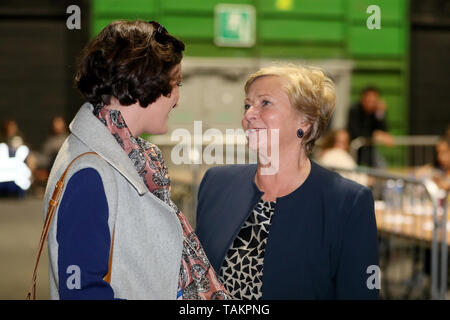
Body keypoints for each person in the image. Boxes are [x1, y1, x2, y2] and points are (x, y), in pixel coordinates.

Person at [43, 20, 229, 300]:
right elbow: (81, 290)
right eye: (175, 83)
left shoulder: (123, 155)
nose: (177, 98)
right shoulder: (91, 170)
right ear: (144, 79)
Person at [196, 65, 379, 299]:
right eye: (247, 105)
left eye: (265, 103)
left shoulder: (347, 202)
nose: (248, 115)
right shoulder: (217, 184)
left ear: (305, 122)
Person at [347, 86, 394, 167]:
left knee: (381, 166)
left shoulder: (377, 112)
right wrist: (374, 135)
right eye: (368, 100)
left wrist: (380, 113)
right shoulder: (354, 110)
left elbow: (384, 130)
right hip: (356, 149)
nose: (370, 103)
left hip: (369, 149)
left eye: (373, 101)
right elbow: (354, 131)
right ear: (362, 99)